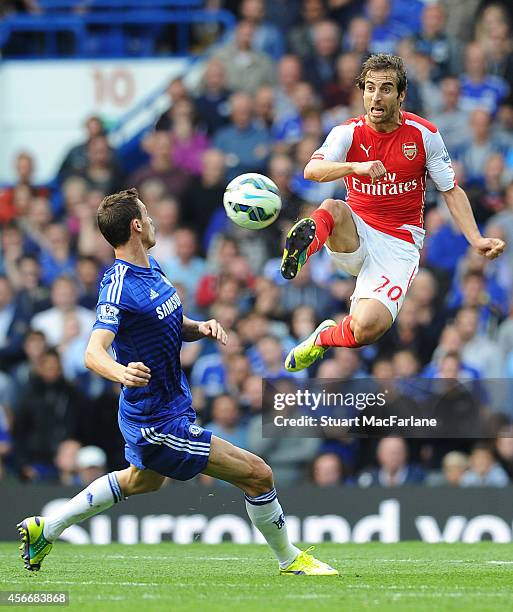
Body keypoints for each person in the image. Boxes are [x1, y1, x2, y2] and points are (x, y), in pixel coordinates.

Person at [17, 188, 337, 577]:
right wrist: (121, 372)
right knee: (258, 473)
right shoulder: (118, 285)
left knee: (143, 481)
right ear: (136, 226)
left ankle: (45, 529)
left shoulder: (153, 268)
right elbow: (92, 352)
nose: (152, 221)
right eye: (147, 215)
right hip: (157, 420)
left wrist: (198, 327)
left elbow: (168, 321)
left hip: (169, 405)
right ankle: (291, 560)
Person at [281, 53, 505, 373]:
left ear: (401, 95)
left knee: (367, 329)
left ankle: (322, 339)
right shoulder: (349, 132)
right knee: (332, 207)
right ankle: (303, 251)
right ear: (361, 93)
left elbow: (451, 190)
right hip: (354, 231)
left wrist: (476, 237)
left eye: (386, 88)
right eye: (369, 88)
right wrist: (354, 166)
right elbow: (311, 170)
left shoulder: (423, 135)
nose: (376, 95)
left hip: (398, 244)